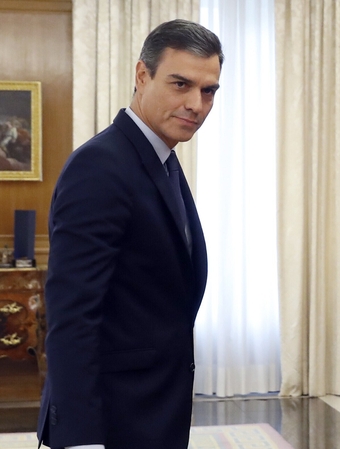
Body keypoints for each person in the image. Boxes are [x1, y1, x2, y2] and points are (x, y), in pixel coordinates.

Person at [37, 19, 222, 449]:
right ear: (142, 76)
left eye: (208, 90)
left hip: (153, 412)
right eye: (181, 84)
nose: (196, 103)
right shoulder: (101, 167)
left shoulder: (162, 159)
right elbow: (71, 316)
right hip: (110, 422)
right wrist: (82, 439)